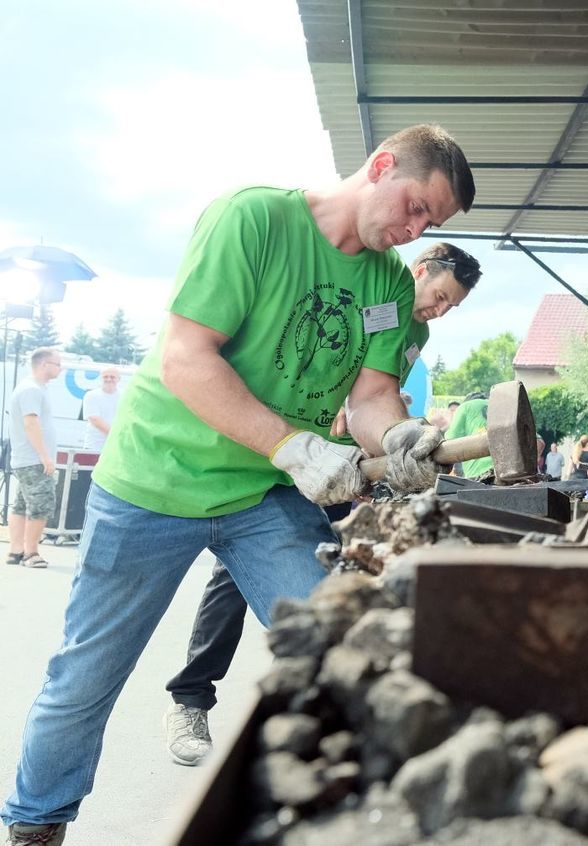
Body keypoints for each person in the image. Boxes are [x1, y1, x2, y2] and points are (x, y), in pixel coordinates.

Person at [1, 124, 476, 845]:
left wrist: (396, 436)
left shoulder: (383, 284)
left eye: (429, 225)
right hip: (153, 483)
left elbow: (373, 398)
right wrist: (295, 447)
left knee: (345, 645)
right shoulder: (255, 219)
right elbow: (189, 361)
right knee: (86, 677)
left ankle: (347, 813)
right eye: (414, 208)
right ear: (380, 166)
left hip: (266, 498)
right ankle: (34, 826)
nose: (414, 232)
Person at [162, 242, 483, 767]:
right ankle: (191, 698)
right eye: (441, 296)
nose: (440, 310)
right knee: (232, 578)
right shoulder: (368, 291)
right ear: (420, 270)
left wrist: (400, 441)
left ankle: (331, 701)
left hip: (348, 468)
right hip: (284, 453)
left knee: (342, 571)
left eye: (453, 307)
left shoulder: (415, 332)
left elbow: (380, 397)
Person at [4, 348, 62, 570]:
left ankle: (16, 551)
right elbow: (31, 423)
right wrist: (45, 456)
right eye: (57, 364)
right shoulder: (32, 390)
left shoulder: (31, 388)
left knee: (21, 505)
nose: (60, 368)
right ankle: (31, 553)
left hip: (25, 459)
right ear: (44, 364)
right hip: (33, 460)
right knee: (41, 505)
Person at [447, 392, 492, 480]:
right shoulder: (496, 404)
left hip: (478, 472)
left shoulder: (465, 407)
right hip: (505, 468)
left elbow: (451, 438)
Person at [81, 366, 123, 453]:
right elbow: (94, 420)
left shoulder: (125, 396)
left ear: (119, 379)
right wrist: (116, 436)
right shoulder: (91, 395)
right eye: (105, 376)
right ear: (101, 378)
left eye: (112, 377)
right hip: (95, 446)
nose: (109, 379)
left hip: (117, 447)